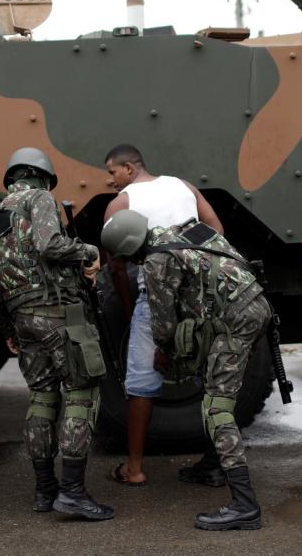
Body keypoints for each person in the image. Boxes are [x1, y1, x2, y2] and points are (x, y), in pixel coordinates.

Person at [102, 209, 271, 531]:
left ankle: (245, 506)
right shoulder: (185, 231)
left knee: (216, 407)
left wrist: (164, 351)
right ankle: (212, 465)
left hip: (234, 321)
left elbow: (162, 321)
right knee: (210, 381)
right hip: (254, 304)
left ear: (130, 250)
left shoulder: (154, 262)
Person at [0, 147, 113, 520]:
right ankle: (72, 492)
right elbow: (49, 245)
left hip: (23, 321)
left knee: (41, 398)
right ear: (43, 176)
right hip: (59, 316)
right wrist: (87, 251)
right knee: (81, 394)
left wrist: (8, 329)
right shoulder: (40, 199)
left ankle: (44, 490)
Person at [102, 143, 224, 487]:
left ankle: (135, 469)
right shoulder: (183, 186)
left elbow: (115, 265)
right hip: (200, 292)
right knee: (209, 375)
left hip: (154, 296)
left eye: (112, 172)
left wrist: (131, 311)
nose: (111, 181)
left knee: (141, 384)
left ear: (128, 168)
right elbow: (217, 230)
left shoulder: (122, 203)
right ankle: (217, 459)